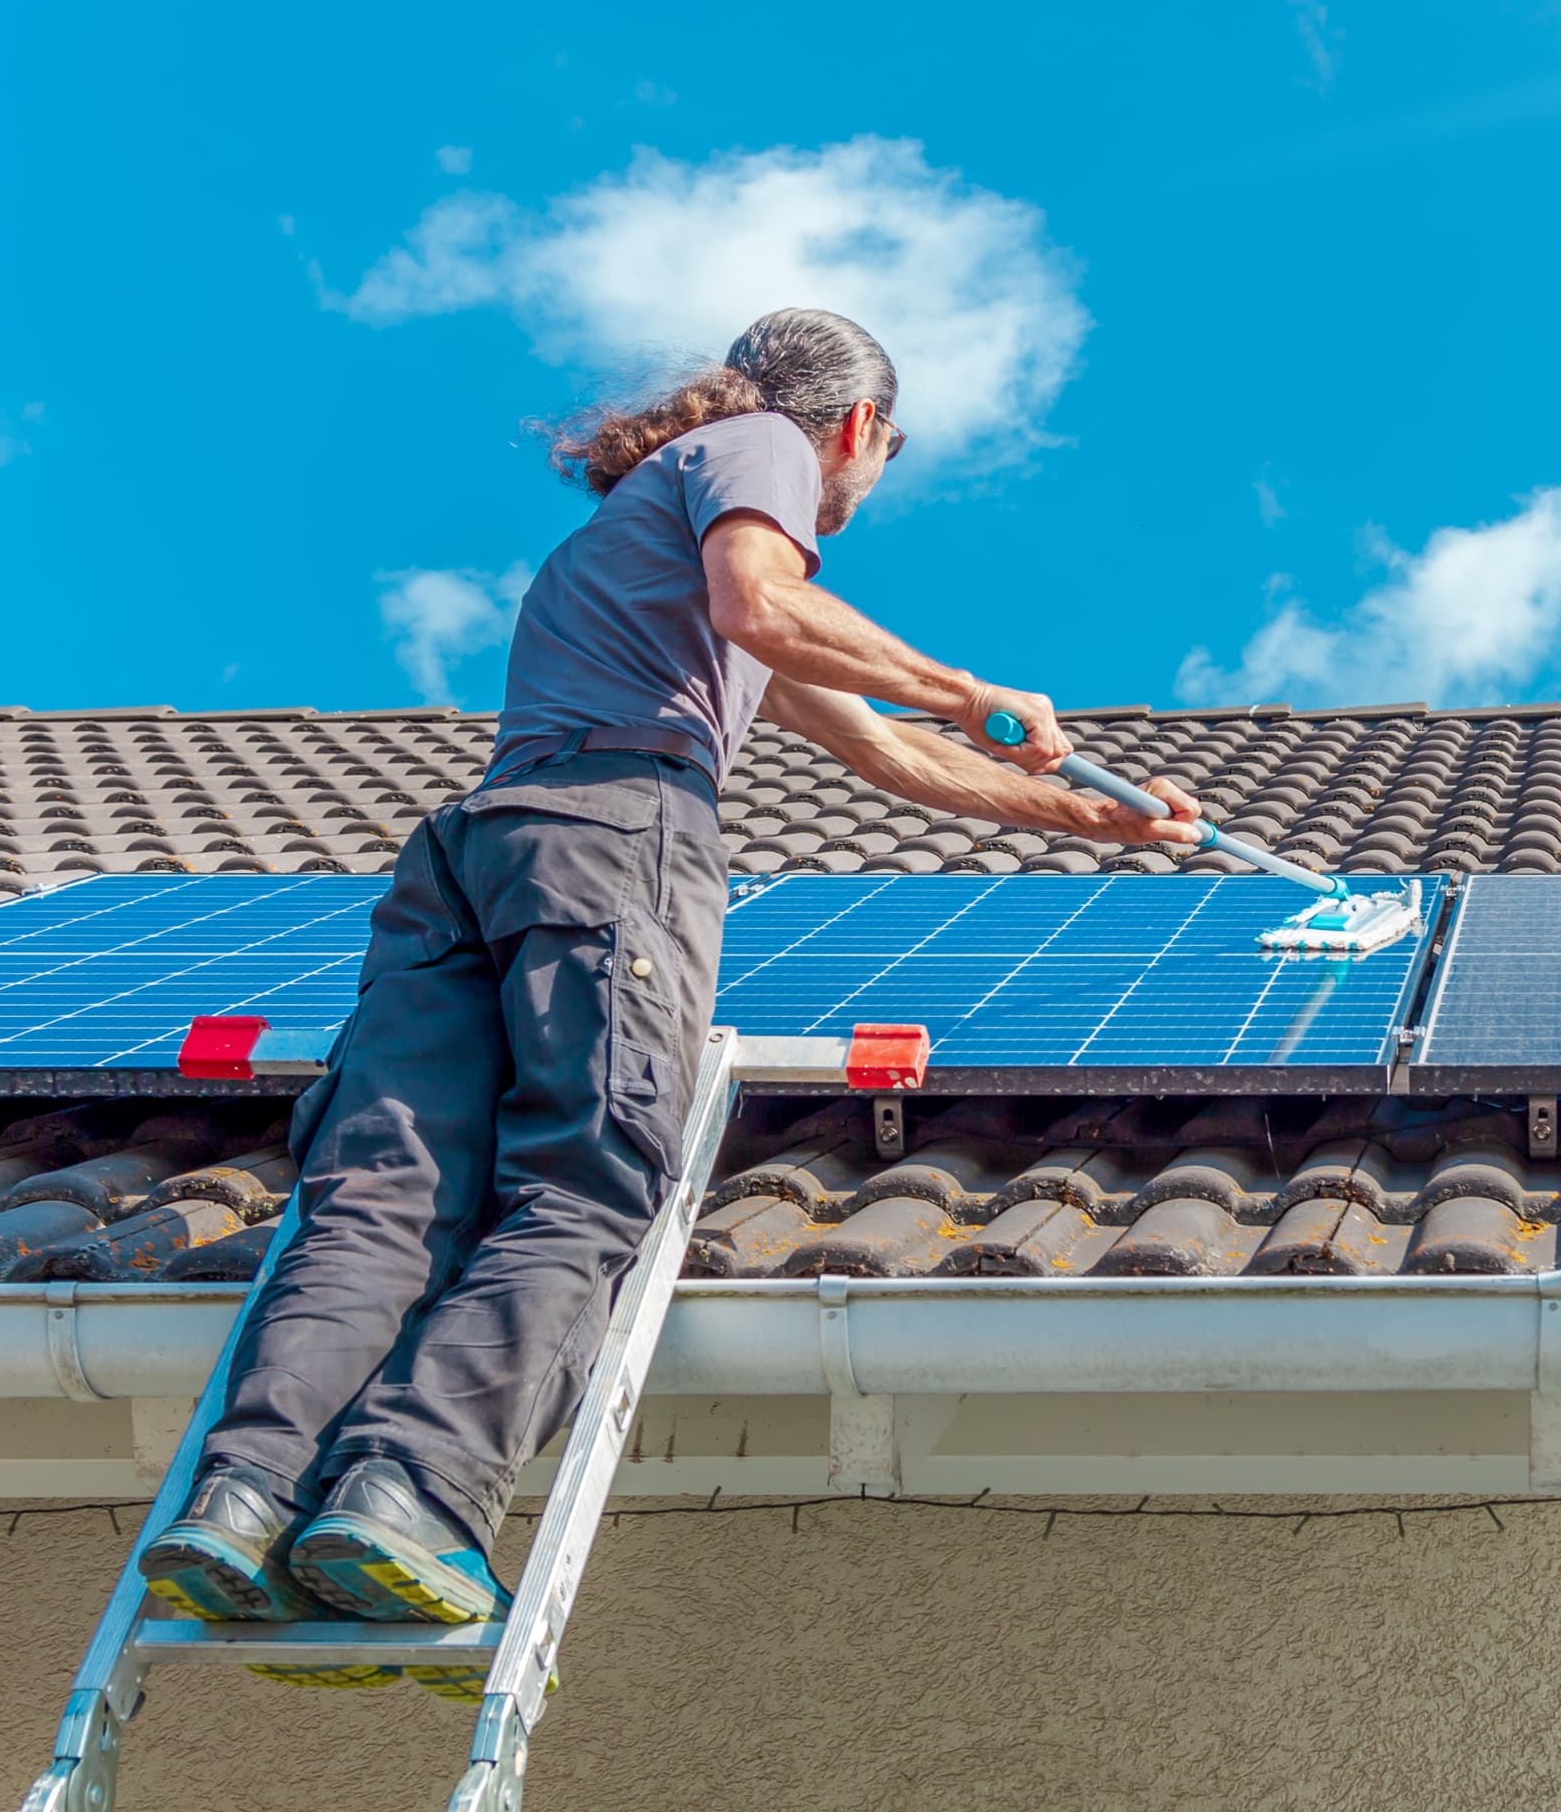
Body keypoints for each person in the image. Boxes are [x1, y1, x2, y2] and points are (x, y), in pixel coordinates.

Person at [136, 308, 1200, 1671]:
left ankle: (243, 1499)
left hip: (477, 851)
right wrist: (972, 687)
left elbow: (879, 751)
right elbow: (777, 605)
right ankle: (407, 1492)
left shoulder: (636, 535)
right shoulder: (756, 451)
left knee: (387, 1195)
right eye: (871, 466)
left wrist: (1090, 822)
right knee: (587, 1179)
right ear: (857, 429)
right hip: (612, 838)